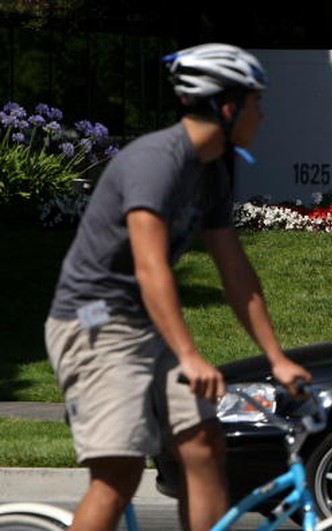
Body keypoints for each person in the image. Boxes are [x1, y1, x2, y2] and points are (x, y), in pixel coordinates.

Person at [44, 43, 312, 531]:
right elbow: (151, 268)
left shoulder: (211, 173)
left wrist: (276, 356)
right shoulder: (155, 160)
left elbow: (236, 272)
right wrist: (189, 354)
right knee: (118, 474)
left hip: (146, 326)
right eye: (257, 102)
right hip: (94, 325)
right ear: (227, 107)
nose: (263, 114)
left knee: (204, 441)